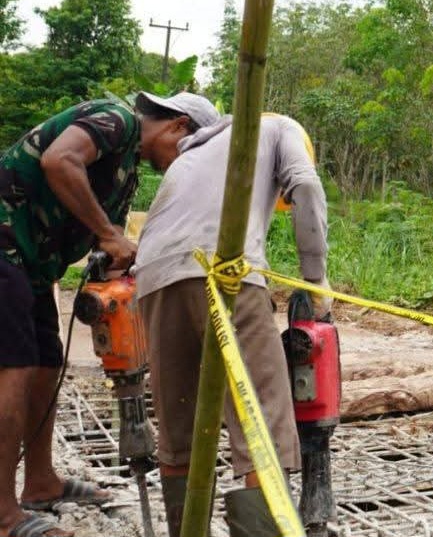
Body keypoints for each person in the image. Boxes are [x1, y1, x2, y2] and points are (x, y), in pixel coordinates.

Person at [0, 93, 212, 537]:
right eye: (188, 148)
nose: (181, 163)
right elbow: (59, 162)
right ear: (176, 125)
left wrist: (126, 260)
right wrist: (108, 234)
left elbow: (106, 246)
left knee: (44, 365)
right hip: (4, 244)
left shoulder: (126, 173)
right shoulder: (116, 119)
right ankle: (3, 516)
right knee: (12, 369)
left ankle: (40, 483)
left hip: (33, 264)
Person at [133, 106, 329, 537]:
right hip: (222, 273)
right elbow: (307, 187)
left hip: (152, 278)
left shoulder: (189, 155)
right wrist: (316, 280)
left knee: (179, 424)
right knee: (264, 421)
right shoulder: (280, 128)